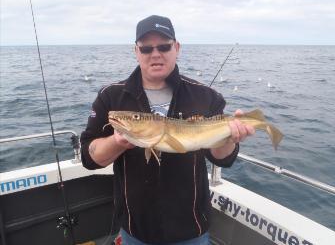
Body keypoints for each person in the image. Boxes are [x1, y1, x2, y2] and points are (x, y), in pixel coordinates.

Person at [80, 15, 254, 245]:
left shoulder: (206, 96)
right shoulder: (111, 96)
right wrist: (117, 142)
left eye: (164, 46)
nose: (155, 54)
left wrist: (231, 137)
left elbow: (221, 158)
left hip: (191, 229)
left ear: (177, 48)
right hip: (135, 228)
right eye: (146, 48)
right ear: (136, 51)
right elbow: (89, 158)